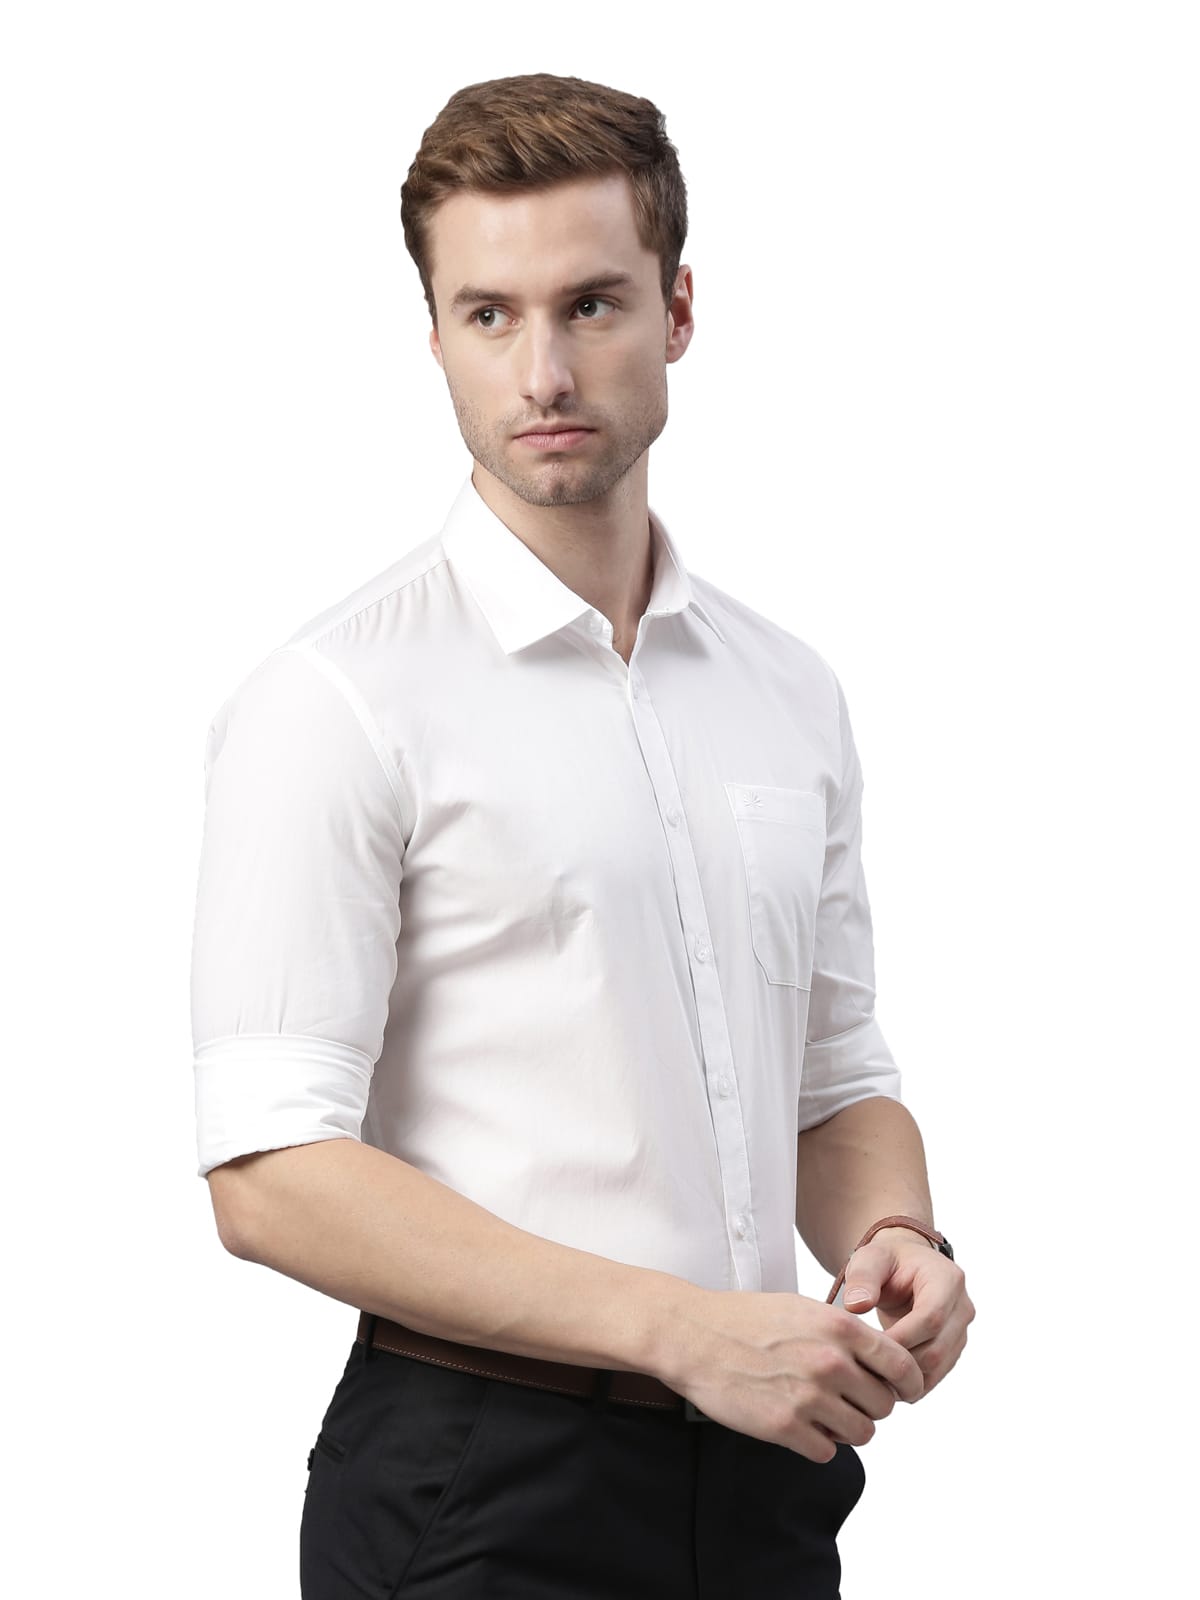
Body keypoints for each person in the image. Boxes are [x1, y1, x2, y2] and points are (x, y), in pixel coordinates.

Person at [190, 71, 974, 1599]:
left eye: (591, 305)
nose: (542, 370)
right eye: (488, 315)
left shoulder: (785, 689)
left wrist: (898, 1231)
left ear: (677, 310)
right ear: (434, 336)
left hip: (772, 1464)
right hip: (478, 1483)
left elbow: (833, 1076)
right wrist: (681, 1331)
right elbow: (269, 1173)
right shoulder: (334, 701)